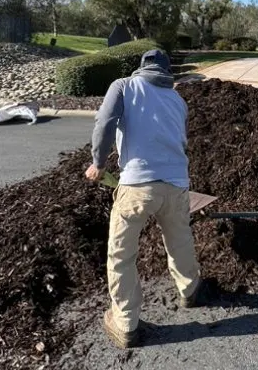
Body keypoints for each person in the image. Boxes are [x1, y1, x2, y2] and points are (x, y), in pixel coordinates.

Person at [85, 48, 202, 348]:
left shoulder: (123, 86)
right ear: (167, 72)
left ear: (141, 68)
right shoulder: (178, 100)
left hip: (137, 184)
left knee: (122, 254)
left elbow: (105, 123)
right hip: (177, 184)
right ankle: (190, 291)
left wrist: (98, 164)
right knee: (180, 241)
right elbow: (179, 139)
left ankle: (125, 322)